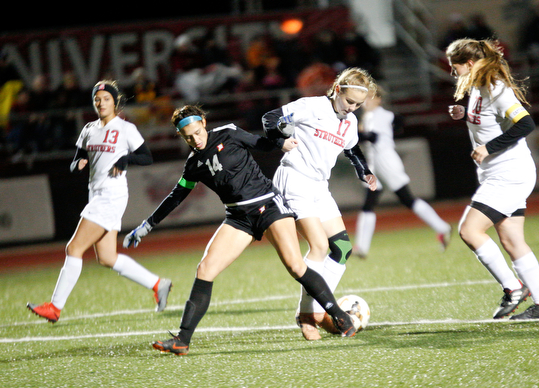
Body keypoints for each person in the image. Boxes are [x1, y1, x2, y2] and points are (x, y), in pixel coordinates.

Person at [125, 105, 358, 356]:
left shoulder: (228, 133)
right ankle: (182, 339)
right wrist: (147, 225)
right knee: (205, 269)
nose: (195, 139)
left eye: (197, 132)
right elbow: (175, 197)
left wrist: (281, 142)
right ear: (181, 136)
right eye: (188, 137)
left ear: (203, 122)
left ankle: (339, 315)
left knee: (295, 266)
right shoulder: (193, 164)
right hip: (238, 217)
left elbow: (259, 143)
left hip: (269, 206)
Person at [26, 80, 172, 323]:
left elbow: (146, 157)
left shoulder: (125, 128)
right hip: (96, 195)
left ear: (115, 102)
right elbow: (77, 159)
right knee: (106, 258)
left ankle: (55, 307)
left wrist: (125, 160)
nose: (101, 103)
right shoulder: (88, 129)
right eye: (97, 99)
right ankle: (158, 284)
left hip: (111, 196)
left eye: (106, 98)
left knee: (73, 249)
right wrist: (77, 164)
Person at [262, 67, 378, 340]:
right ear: (337, 89)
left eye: (359, 105)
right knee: (319, 246)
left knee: (342, 248)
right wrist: (280, 140)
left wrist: (364, 171)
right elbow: (270, 118)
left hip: (318, 186)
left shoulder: (348, 122)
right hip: (293, 179)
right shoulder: (310, 106)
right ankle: (308, 314)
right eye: (350, 101)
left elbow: (351, 148)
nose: (352, 108)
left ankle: (314, 309)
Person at [446, 39, 539, 320]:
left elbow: (526, 123)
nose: (453, 72)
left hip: (510, 173)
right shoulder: (478, 87)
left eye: (454, 66)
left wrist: (488, 148)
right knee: (512, 241)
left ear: (469, 64)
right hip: (500, 173)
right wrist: (463, 116)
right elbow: (491, 123)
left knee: (469, 231)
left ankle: (513, 288)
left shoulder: (494, 86)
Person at [354, 86, 452, 258]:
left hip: (386, 162)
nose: (366, 101)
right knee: (369, 203)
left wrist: (353, 134)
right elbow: (395, 123)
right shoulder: (370, 116)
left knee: (407, 199)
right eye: (364, 98)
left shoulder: (381, 115)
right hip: (376, 163)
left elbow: (373, 136)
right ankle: (361, 247)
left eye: (369, 97)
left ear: (378, 99)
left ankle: (443, 227)